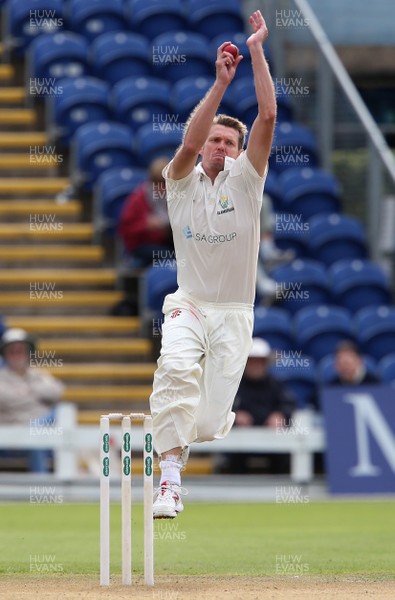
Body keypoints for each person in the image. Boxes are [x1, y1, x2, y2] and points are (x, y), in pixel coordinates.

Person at [149, 10, 277, 518]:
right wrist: (221, 84)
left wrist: (258, 51)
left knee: (206, 422)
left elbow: (267, 118)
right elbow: (185, 143)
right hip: (189, 304)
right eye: (215, 141)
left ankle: (187, 440)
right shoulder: (179, 180)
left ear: (241, 153)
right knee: (174, 367)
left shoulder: (248, 181)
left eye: (230, 142)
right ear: (204, 145)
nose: (221, 147)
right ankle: (169, 483)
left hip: (235, 314)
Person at [225, 337, 295, 473]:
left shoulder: (276, 385)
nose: (256, 365)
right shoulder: (233, 386)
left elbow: (289, 404)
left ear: (265, 363)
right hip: (239, 444)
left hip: (273, 443)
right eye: (252, 361)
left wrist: (280, 415)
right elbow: (221, 408)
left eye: (260, 361)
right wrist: (234, 415)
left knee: (283, 456)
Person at [0, 328, 65, 473]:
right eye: (12, 351)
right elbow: (4, 398)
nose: (17, 355)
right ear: (5, 354)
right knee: (36, 435)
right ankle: (42, 484)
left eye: (20, 351)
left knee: (59, 414)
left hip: (41, 431)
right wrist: (36, 395)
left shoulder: (39, 375)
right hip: (11, 435)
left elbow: (57, 391)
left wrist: (25, 392)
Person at [118, 156, 174, 267]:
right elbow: (124, 230)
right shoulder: (138, 198)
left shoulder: (173, 197)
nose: (162, 188)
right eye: (159, 184)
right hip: (141, 246)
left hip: (164, 242)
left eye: (165, 184)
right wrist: (146, 225)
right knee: (171, 257)